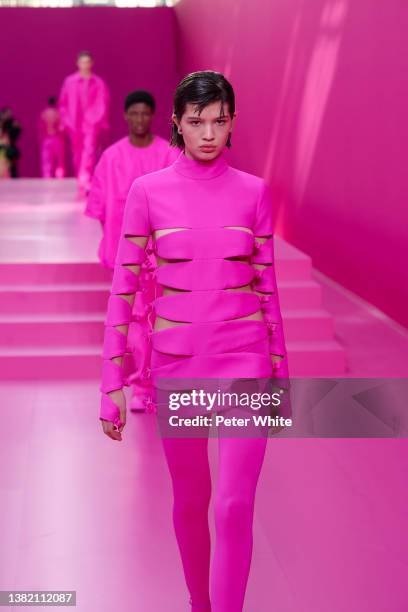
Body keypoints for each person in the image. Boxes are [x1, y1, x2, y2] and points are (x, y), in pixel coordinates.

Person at [99, 71, 290, 611]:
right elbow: (123, 293)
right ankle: (199, 603)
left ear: (232, 123)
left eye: (219, 120)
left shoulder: (254, 192)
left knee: (232, 505)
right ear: (177, 125)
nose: (209, 133)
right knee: (191, 500)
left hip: (246, 362)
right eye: (196, 121)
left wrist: (280, 373)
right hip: (178, 365)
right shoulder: (147, 193)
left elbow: (268, 290)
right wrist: (111, 384)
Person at [86, 89, 179, 411]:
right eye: (134, 113)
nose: (139, 119)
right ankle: (142, 386)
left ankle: (158, 382)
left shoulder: (168, 153)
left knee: (161, 317)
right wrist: (112, 245)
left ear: (153, 117)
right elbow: (99, 206)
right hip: (124, 251)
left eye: (145, 113)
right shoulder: (111, 157)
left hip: (161, 254)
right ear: (126, 116)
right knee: (137, 319)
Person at [58, 50, 109, 194]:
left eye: (87, 62)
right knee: (77, 152)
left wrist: (96, 119)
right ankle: (81, 177)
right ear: (78, 63)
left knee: (89, 149)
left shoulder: (98, 83)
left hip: (91, 123)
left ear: (91, 63)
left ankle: (85, 178)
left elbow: (103, 102)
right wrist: (65, 120)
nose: (85, 65)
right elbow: (63, 102)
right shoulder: (69, 82)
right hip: (73, 123)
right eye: (82, 62)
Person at [38, 96, 65, 178]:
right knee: (59, 159)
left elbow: (41, 127)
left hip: (47, 139)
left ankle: (47, 177)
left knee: (46, 160)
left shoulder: (44, 113)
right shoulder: (58, 114)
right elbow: (61, 127)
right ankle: (60, 176)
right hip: (56, 138)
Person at [0, 107, 21, 178]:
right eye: (7, 114)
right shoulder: (2, 122)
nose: (9, 115)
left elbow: (16, 134)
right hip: (2, 149)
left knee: (9, 168)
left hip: (8, 149)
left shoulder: (12, 123)